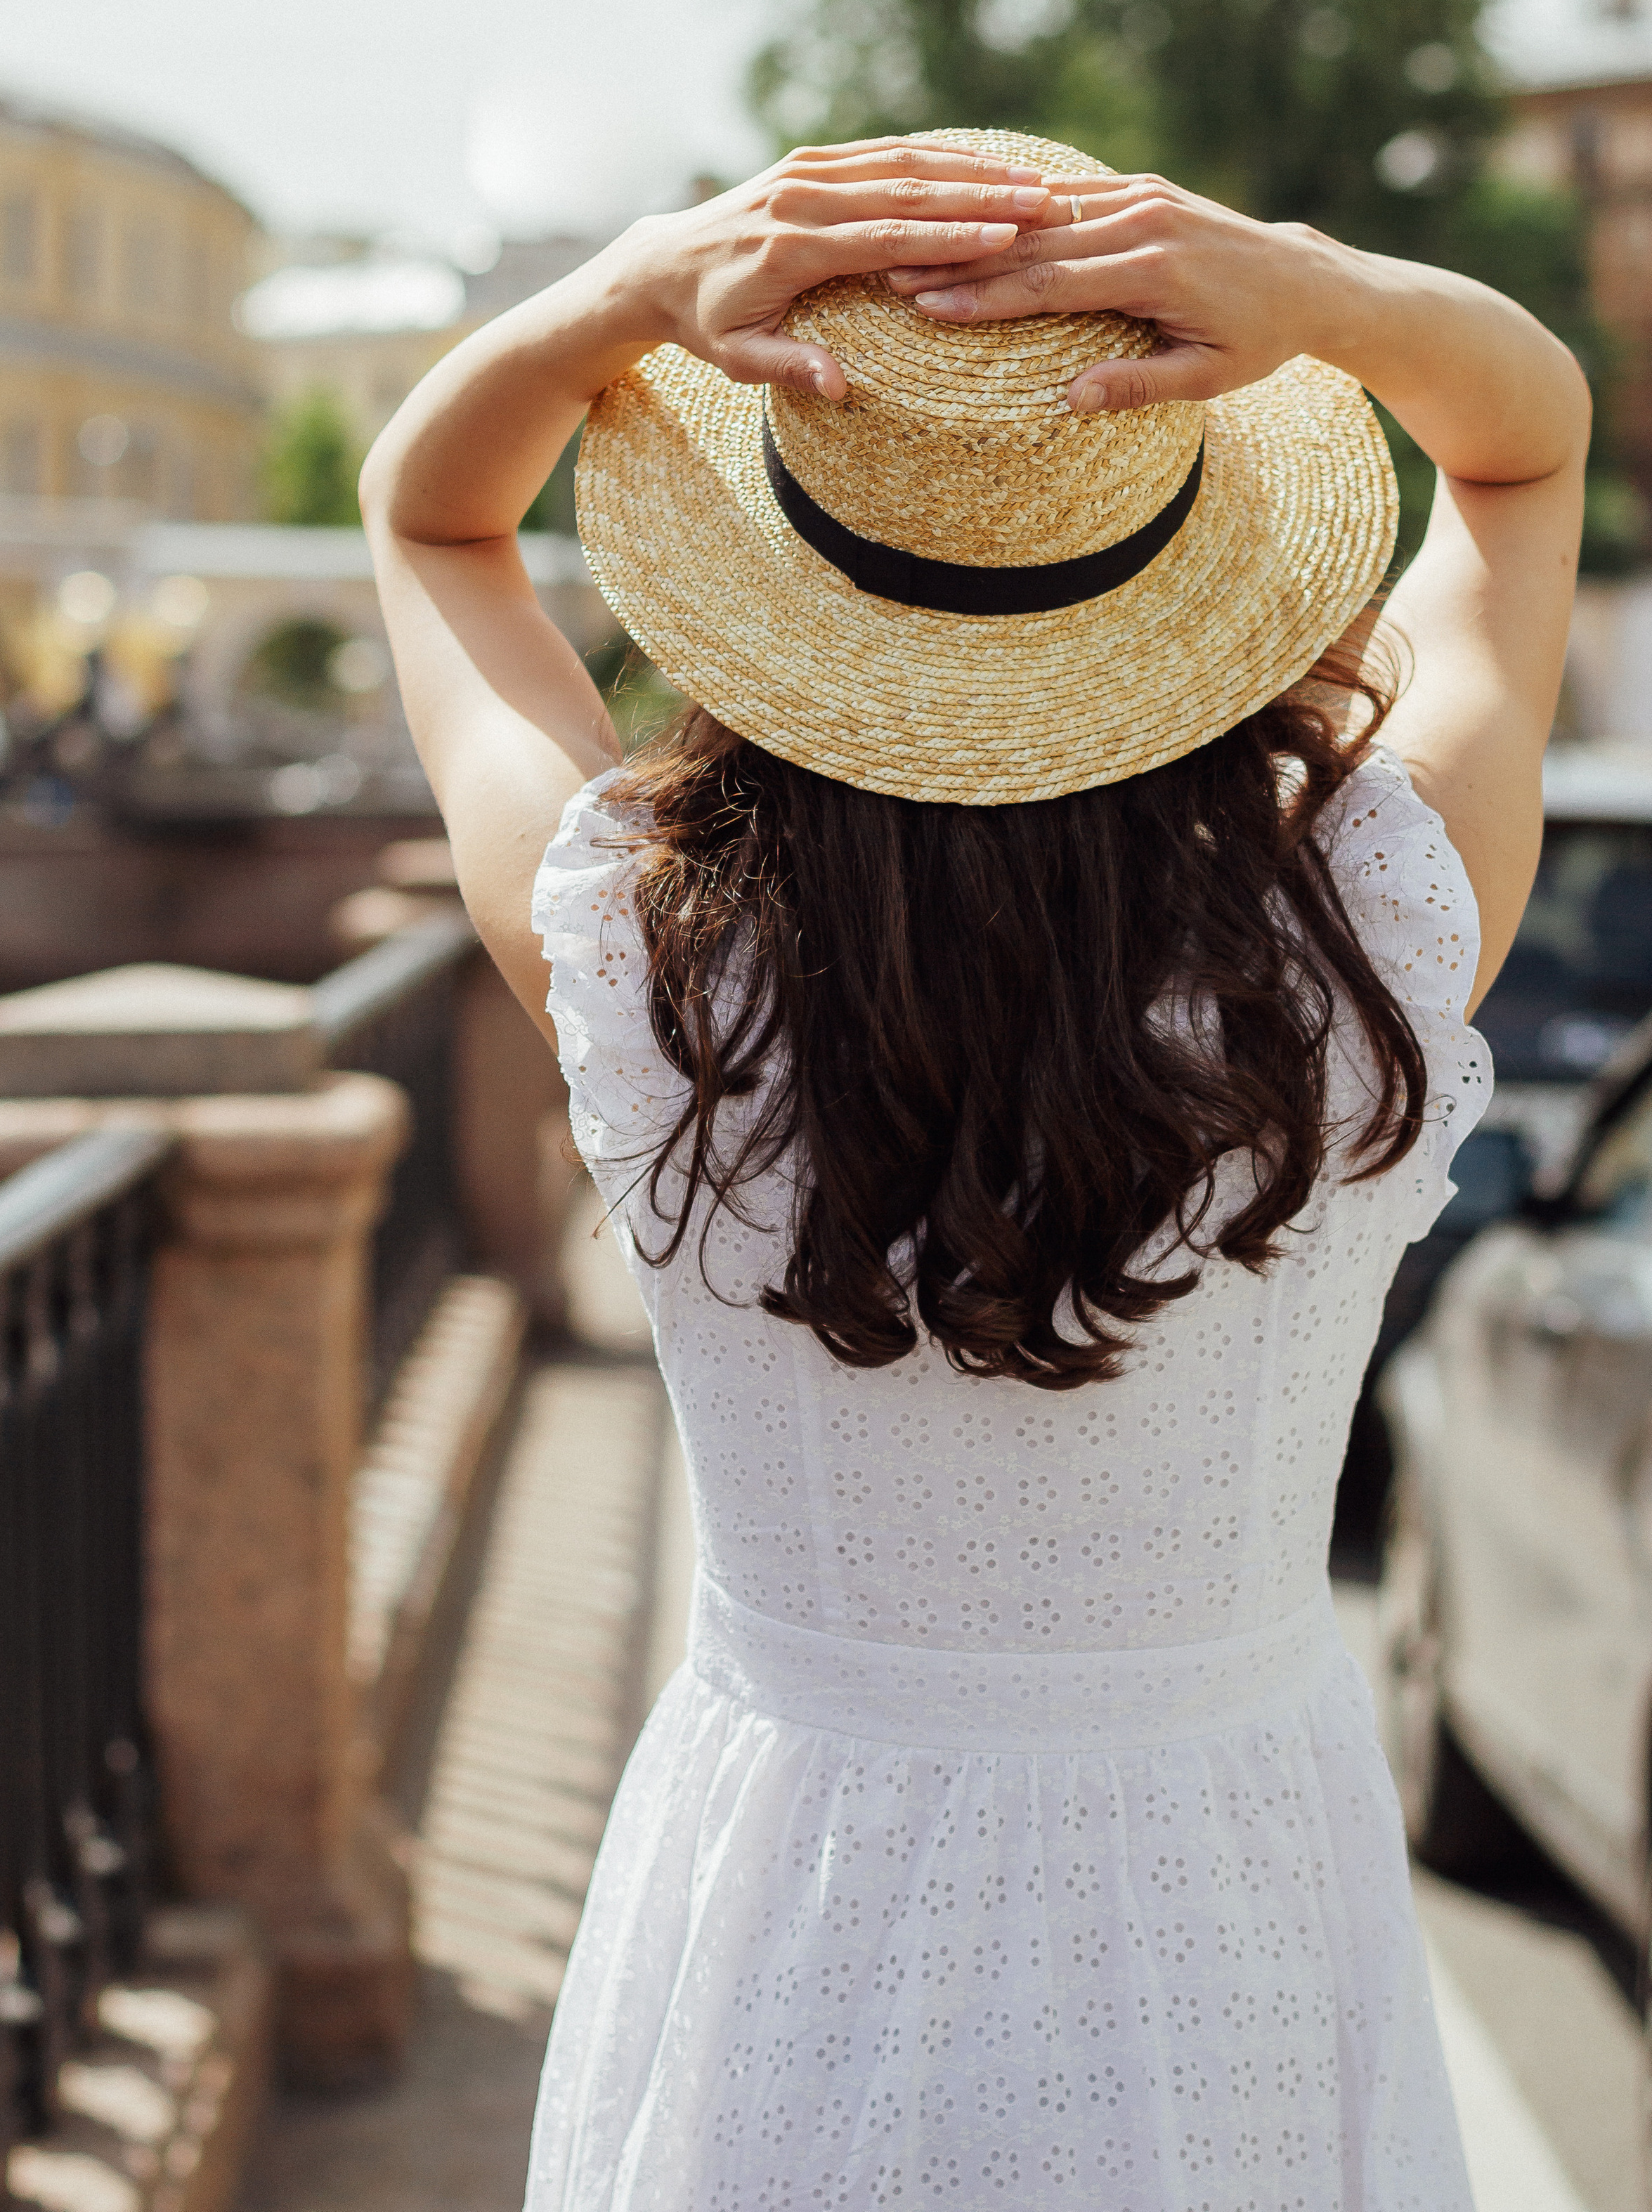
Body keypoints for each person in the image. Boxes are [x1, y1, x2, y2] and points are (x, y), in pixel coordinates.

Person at [361, 128, 1587, 2209]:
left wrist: (632, 292)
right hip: (1237, 1914)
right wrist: (1315, 286)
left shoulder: (655, 968)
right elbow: (1528, 450)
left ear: (774, 605)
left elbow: (430, 517)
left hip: (796, 1900)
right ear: (1193, 580)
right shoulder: (1378, 929)